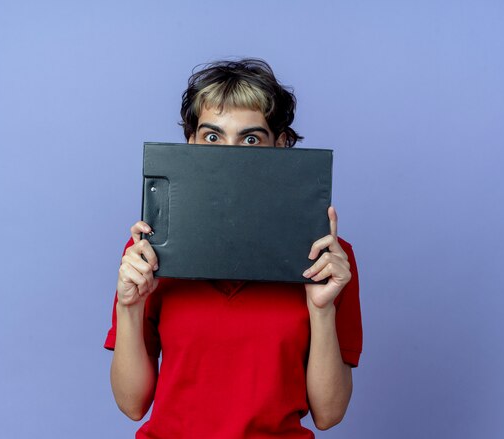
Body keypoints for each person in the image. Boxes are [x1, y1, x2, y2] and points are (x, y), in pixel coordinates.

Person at [104, 58, 362, 439]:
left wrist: (321, 311)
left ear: (281, 144)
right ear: (190, 143)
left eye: (251, 138)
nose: (230, 153)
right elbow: (132, 404)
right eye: (212, 137)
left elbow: (328, 414)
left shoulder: (328, 261)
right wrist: (131, 306)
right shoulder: (150, 251)